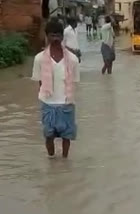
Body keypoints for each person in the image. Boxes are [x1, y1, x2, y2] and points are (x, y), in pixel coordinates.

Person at [31, 20, 80, 158]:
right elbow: (39, 83)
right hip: (48, 104)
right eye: (52, 35)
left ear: (62, 37)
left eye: (58, 35)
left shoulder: (73, 59)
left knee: (67, 137)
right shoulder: (39, 59)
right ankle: (51, 161)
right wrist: (46, 98)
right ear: (47, 36)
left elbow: (74, 82)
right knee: (48, 136)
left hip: (66, 103)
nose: (55, 39)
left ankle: (65, 163)